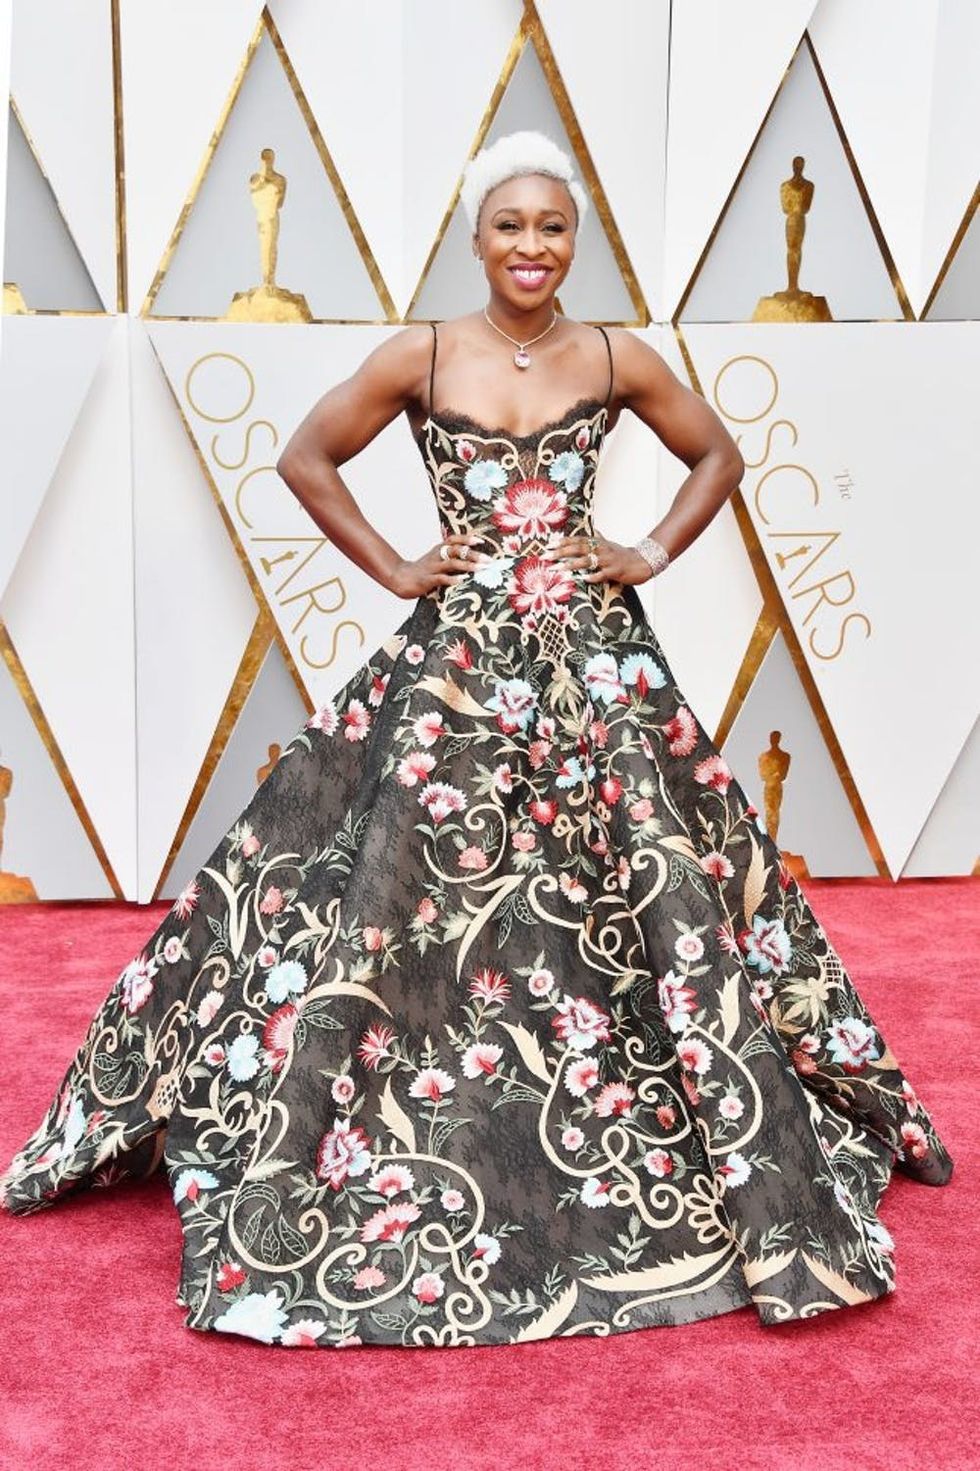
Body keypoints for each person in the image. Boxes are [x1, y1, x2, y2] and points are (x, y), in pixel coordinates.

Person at [0, 130, 953, 1350]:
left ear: (574, 241)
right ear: (475, 236)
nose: (531, 247)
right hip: (453, 670)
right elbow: (304, 456)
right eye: (510, 225)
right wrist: (398, 565)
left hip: (592, 665)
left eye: (552, 227)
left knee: (646, 882)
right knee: (395, 889)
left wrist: (643, 553)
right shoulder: (424, 350)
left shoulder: (613, 354)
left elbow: (715, 453)